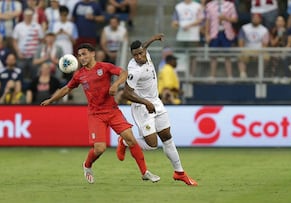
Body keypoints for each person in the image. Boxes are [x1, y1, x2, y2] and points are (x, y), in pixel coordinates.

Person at [40, 43, 160, 184]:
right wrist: (51, 100)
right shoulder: (79, 75)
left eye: (84, 54)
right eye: (79, 55)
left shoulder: (105, 67)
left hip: (112, 111)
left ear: (93, 53)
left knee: (131, 140)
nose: (82, 57)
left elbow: (124, 73)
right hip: (96, 114)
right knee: (100, 148)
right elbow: (66, 89)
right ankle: (87, 165)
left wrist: (115, 85)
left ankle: (144, 172)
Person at [118, 33, 198, 186]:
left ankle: (179, 172)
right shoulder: (134, 71)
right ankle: (125, 141)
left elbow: (144, 46)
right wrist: (145, 102)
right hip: (142, 107)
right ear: (132, 56)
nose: (140, 56)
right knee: (152, 145)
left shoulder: (144, 53)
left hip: (156, 102)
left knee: (167, 137)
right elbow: (127, 93)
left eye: (141, 53)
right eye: (136, 55)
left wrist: (153, 39)